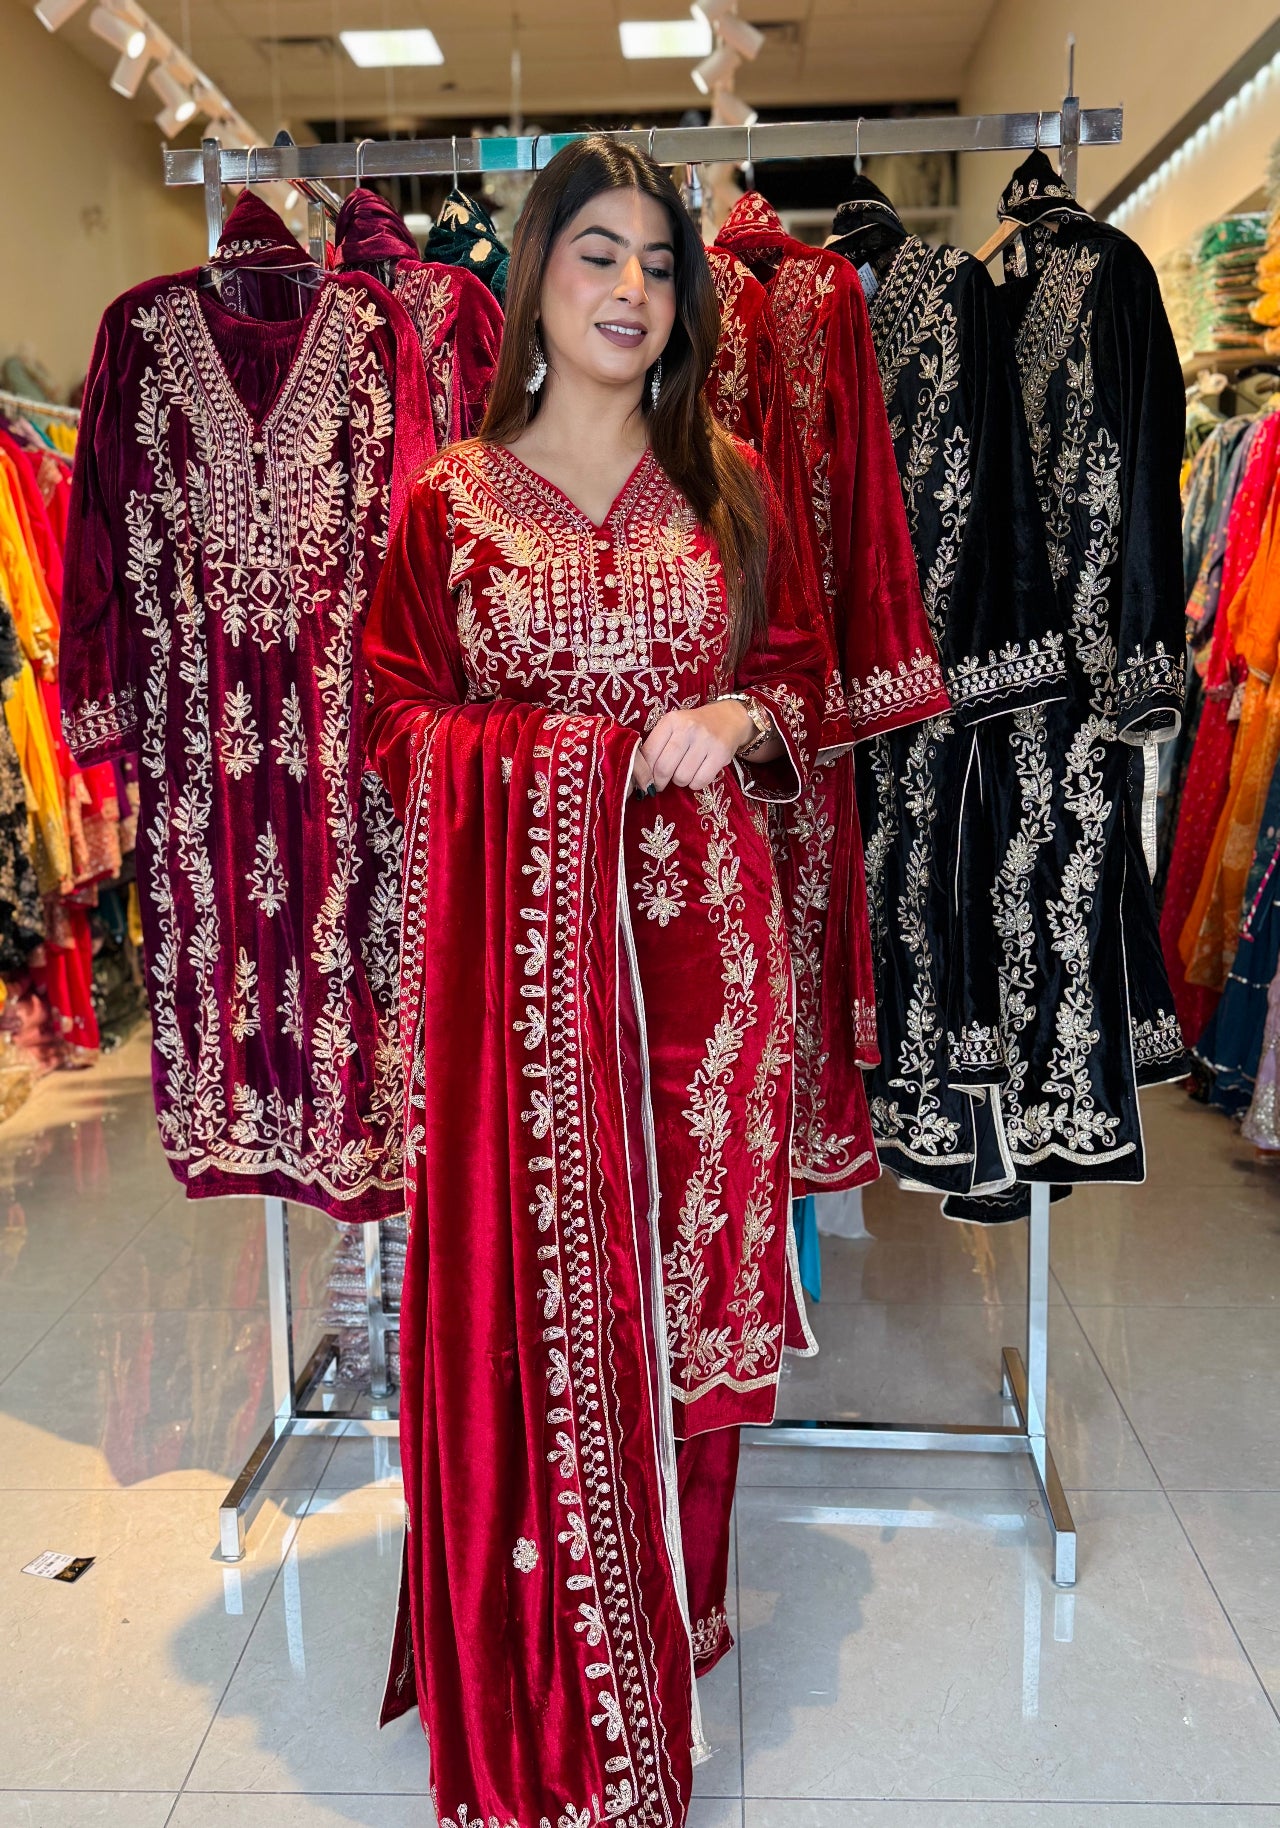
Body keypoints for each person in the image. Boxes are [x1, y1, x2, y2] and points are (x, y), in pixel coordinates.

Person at [365, 135, 826, 1828]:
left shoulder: (731, 484)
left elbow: (807, 678)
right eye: (598, 254)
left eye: (660, 263)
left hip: (710, 967)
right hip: (518, 995)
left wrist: (741, 717)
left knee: (689, 1294)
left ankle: (671, 1622)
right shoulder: (449, 501)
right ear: (536, 276)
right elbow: (392, 722)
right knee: (536, 1288)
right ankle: (548, 1637)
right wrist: (562, 759)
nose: (634, 289)